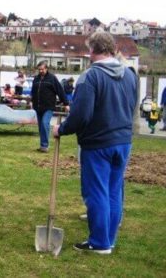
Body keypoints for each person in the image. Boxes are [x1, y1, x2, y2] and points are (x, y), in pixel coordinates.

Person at [53, 31, 137, 254]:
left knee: (97, 192)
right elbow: (131, 106)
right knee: (113, 190)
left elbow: (81, 115)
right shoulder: (129, 74)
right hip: (123, 141)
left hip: (98, 144)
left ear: (92, 50)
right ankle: (108, 240)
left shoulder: (91, 77)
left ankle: (100, 243)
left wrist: (60, 129)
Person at [31, 61, 69, 153]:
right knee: (41, 127)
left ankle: (45, 146)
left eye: (42, 69)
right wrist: (32, 102)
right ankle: (42, 145)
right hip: (38, 106)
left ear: (46, 69)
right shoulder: (36, 79)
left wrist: (66, 103)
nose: (40, 71)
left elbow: (60, 91)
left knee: (45, 123)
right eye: (39, 69)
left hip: (48, 106)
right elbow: (33, 92)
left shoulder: (52, 78)